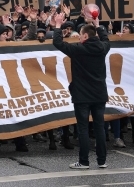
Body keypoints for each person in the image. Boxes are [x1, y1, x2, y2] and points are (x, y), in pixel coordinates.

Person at [52, 12, 110, 170]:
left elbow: (58, 42)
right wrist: (98, 26)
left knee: (83, 128)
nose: (78, 38)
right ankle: (102, 160)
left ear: (84, 36)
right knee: (99, 127)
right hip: (99, 94)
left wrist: (57, 25)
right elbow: (106, 39)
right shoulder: (102, 48)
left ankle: (84, 161)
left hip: (82, 95)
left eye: (80, 36)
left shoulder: (78, 49)